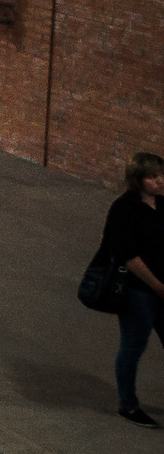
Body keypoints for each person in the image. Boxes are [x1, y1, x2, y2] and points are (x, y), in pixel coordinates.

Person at [101, 152, 164, 426]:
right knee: (133, 347)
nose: (160, 181)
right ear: (138, 180)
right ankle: (128, 405)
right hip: (139, 291)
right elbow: (128, 255)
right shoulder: (123, 208)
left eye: (161, 175)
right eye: (153, 177)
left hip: (162, 289)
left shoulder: (161, 203)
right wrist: (158, 286)